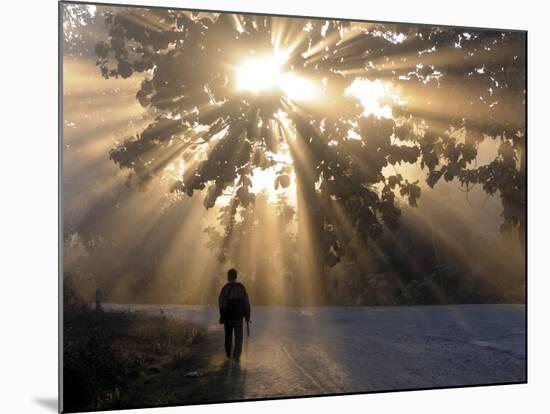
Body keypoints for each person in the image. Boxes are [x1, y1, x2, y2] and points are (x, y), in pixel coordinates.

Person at [218, 268, 251, 363]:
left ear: (228, 277)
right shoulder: (241, 288)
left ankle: (229, 355)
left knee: (228, 336)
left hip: (228, 318)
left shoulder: (225, 288)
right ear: (236, 276)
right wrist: (247, 315)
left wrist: (222, 316)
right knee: (238, 337)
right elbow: (246, 303)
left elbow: (221, 303)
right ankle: (237, 356)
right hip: (238, 317)